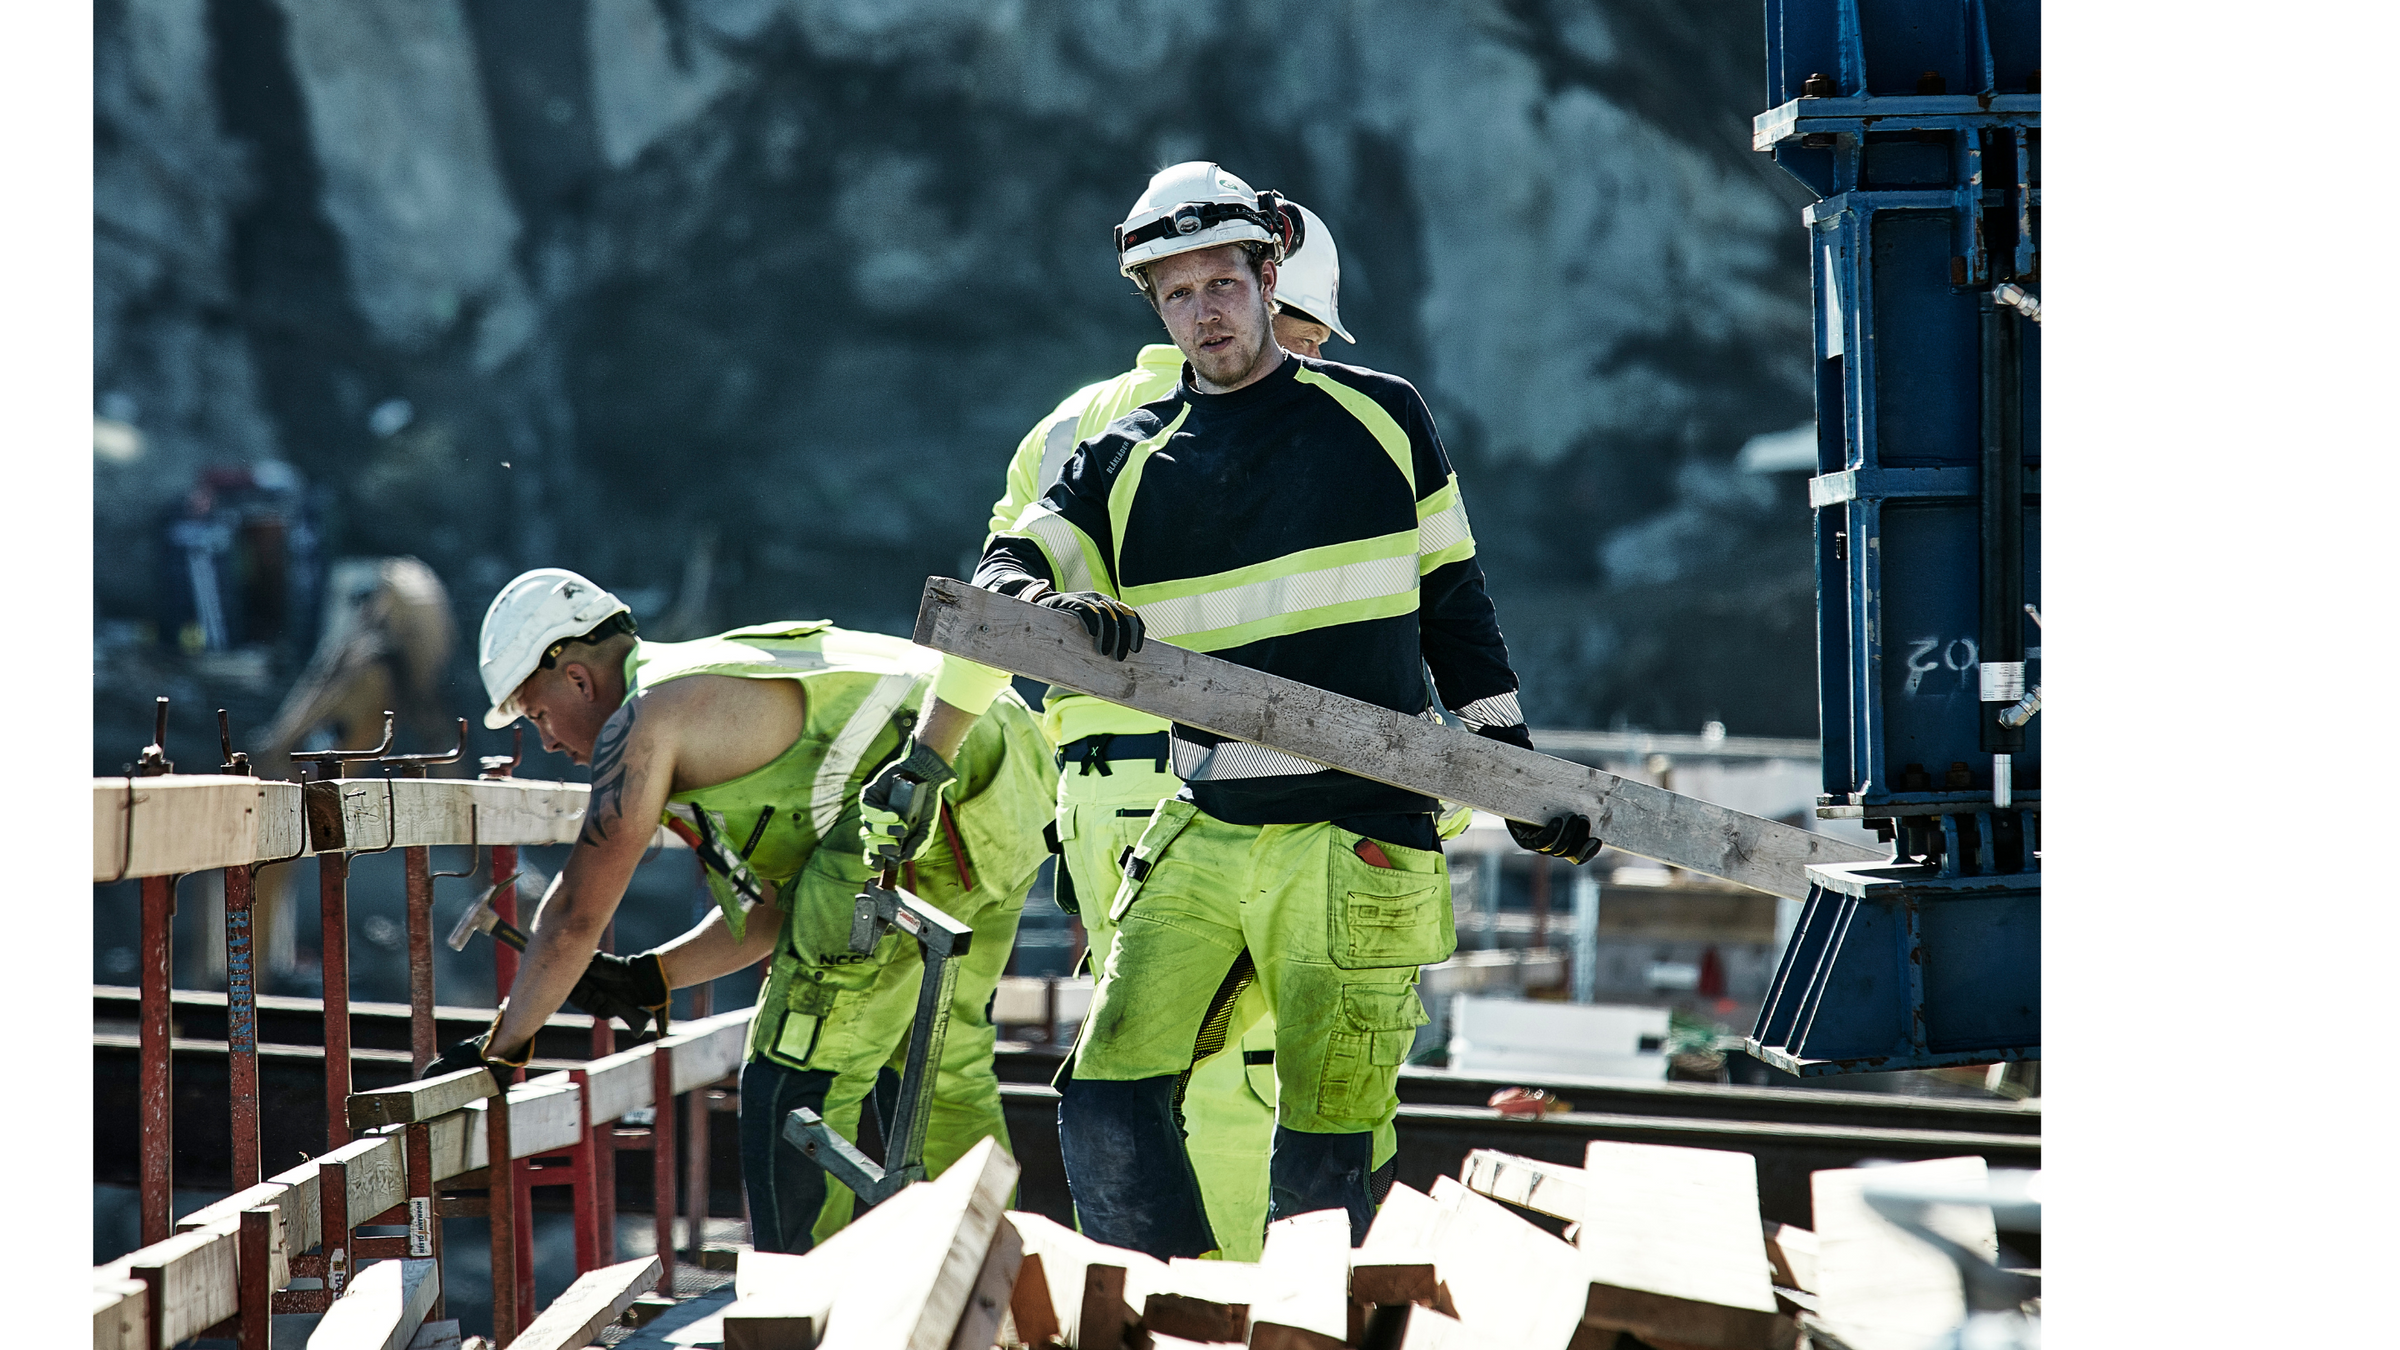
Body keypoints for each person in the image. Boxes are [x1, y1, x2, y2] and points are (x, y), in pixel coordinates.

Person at [919, 160, 1603, 1258]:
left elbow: (1457, 613)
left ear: (1267, 273)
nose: (1206, 311)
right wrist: (1044, 603)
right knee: (1103, 1102)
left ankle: (1299, 1331)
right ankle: (1177, 1316)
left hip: (1359, 835)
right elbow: (1004, 566)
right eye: (1178, 293)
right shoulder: (1121, 456)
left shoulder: (1384, 419)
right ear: (1155, 305)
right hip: (1209, 825)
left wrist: (1518, 778)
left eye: (1222, 282)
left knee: (1324, 1152)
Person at [913, 189, 1365, 1261]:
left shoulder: (1071, 425)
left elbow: (995, 622)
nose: (1306, 354)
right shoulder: (1288, 425)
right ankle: (1238, 1311)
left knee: (1138, 1065)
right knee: (1244, 1071)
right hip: (1239, 783)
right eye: (1305, 331)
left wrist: (927, 760)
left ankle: (1154, 1299)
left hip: (1105, 793)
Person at [429, 569, 1053, 1253]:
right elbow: (772, 913)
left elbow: (575, 912)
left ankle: (806, 1313)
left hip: (923, 787)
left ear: (576, 678)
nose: (546, 741)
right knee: (939, 1062)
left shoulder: (643, 721)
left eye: (537, 714)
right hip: (996, 759)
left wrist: (503, 1051)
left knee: (795, 1073)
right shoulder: (717, 684)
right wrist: (651, 977)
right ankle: (1001, 1290)